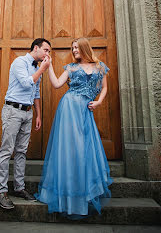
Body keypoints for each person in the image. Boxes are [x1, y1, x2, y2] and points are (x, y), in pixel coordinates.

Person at [35, 37, 113, 217]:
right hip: (68, 109)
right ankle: (68, 197)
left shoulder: (100, 67)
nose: (74, 50)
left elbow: (104, 88)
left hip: (85, 111)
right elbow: (56, 85)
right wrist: (49, 67)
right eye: (73, 48)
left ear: (85, 47)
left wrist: (99, 102)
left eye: (77, 47)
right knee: (70, 150)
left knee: (84, 150)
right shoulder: (71, 68)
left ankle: (84, 193)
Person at [0, 38, 51, 210]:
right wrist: (42, 69)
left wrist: (38, 115)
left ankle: (19, 188)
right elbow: (27, 82)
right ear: (36, 48)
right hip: (13, 111)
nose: (48, 54)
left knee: (21, 151)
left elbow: (35, 92)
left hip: (28, 113)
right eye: (46, 50)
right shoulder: (19, 62)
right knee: (7, 150)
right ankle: (1, 192)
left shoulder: (36, 67)